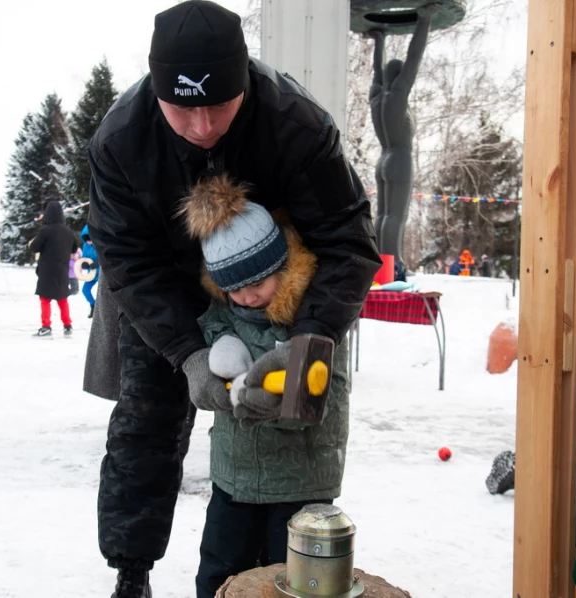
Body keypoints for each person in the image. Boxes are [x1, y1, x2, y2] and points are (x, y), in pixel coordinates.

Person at [84, 2, 380, 595]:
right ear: (155, 87)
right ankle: (130, 570)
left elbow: (349, 243)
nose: (201, 127)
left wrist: (308, 340)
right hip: (163, 287)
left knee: (286, 417)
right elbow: (130, 263)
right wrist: (187, 351)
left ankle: (281, 562)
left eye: (218, 105)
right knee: (146, 422)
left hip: (270, 288)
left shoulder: (295, 124)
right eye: (182, 108)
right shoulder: (119, 140)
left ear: (244, 79)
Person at [178, 175, 351, 596]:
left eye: (257, 283)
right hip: (234, 478)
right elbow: (211, 362)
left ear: (282, 267)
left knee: (290, 579)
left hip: (301, 484)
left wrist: (282, 401)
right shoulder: (221, 317)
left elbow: (327, 397)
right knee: (220, 571)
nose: (248, 297)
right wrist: (210, 369)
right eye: (234, 288)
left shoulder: (314, 320)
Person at [368, 4, 438, 265]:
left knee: (383, 215)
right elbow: (414, 59)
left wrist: (379, 39)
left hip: (383, 159)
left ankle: (381, 265)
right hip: (399, 159)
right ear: (398, 78)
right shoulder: (398, 95)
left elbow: (377, 71)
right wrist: (424, 21)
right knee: (396, 215)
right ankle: (394, 263)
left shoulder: (377, 97)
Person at [30, 200, 79, 338]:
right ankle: (67, 325)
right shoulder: (68, 231)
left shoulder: (45, 230)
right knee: (62, 299)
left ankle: (46, 326)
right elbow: (74, 248)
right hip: (62, 269)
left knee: (45, 299)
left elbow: (35, 247)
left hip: (46, 270)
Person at [79, 224, 100, 319]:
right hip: (91, 274)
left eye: (90, 239)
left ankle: (101, 310)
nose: (89, 241)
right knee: (85, 290)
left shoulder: (100, 245)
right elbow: (84, 258)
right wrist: (84, 264)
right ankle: (93, 305)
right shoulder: (85, 246)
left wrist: (97, 263)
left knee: (102, 292)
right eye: (86, 239)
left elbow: (105, 257)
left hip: (101, 274)